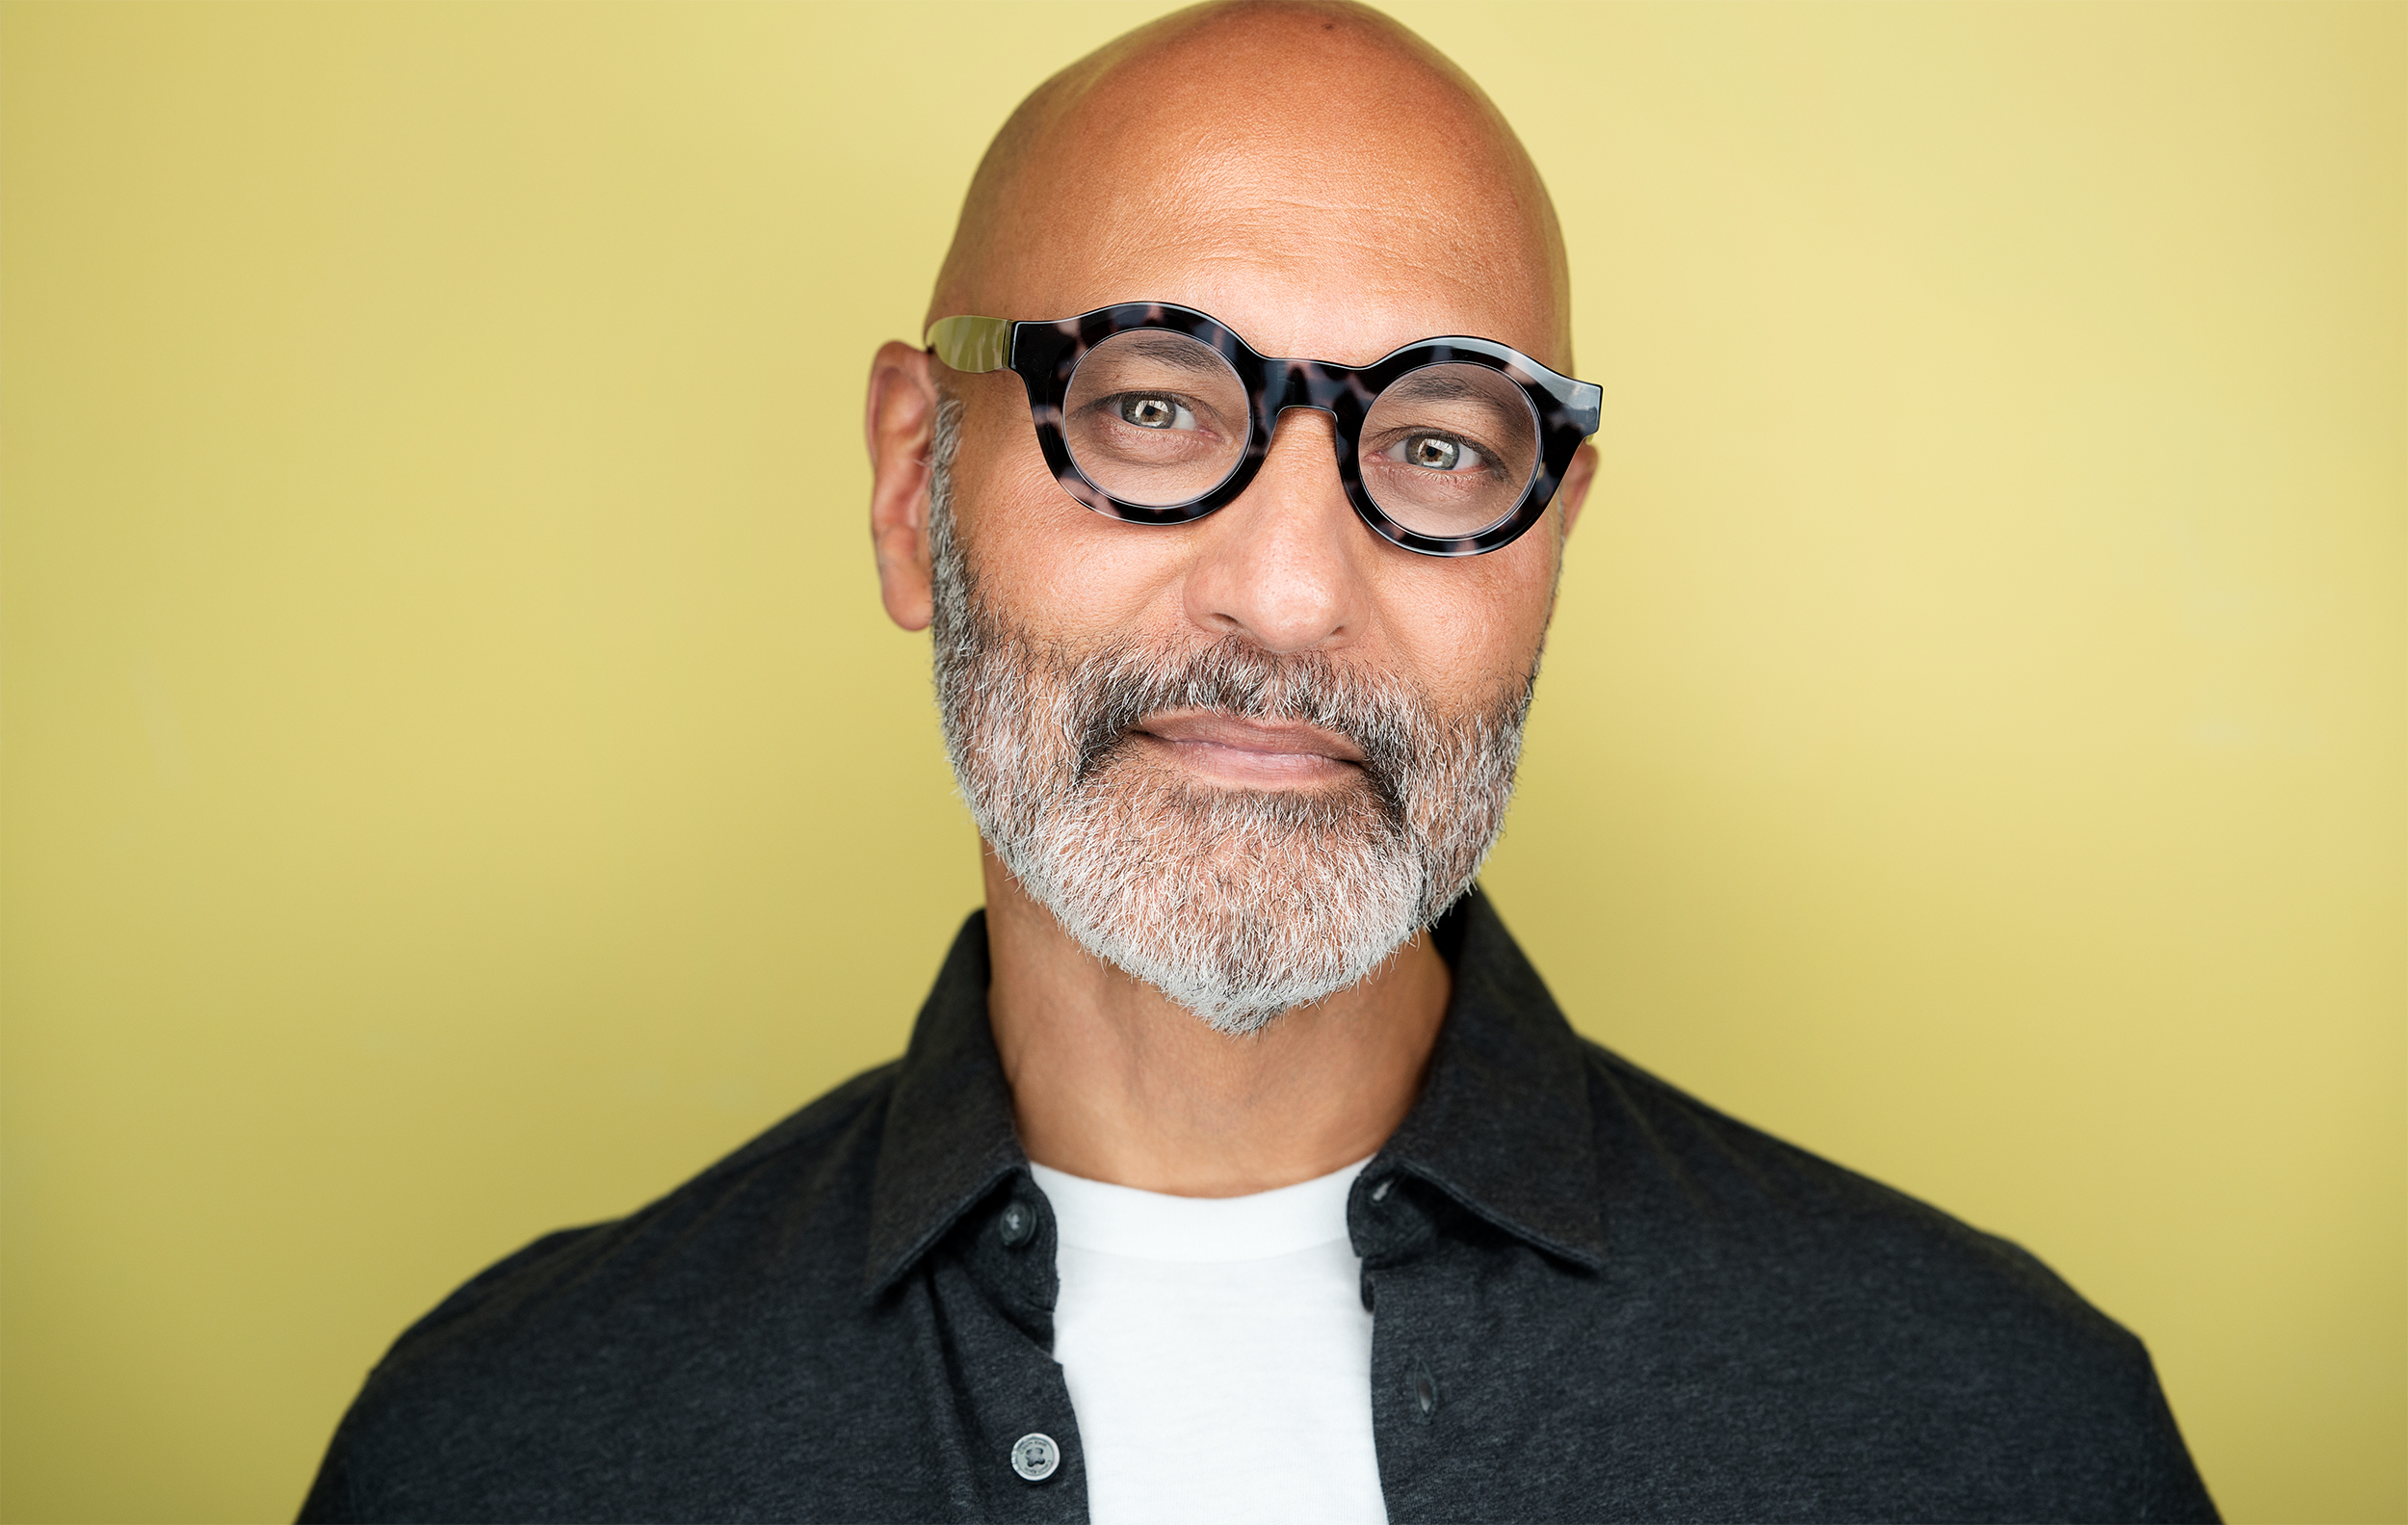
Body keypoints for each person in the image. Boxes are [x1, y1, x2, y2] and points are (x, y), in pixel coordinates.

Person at [299, 4, 2218, 1521]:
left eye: (1443, 447)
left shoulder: (1994, 1433)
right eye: (1144, 407)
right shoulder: (507, 1450)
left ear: (1548, 542)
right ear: (911, 486)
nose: (1293, 597)